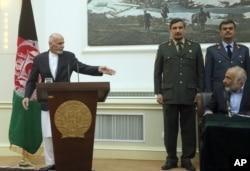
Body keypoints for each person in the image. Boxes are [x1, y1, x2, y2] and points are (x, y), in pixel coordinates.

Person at [22, 33, 116, 171]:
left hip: (66, 104)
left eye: (63, 43)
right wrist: (26, 96)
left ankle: (68, 162)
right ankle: (51, 165)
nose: (62, 46)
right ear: (51, 44)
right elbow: (32, 80)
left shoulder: (69, 57)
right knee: (48, 136)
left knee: (65, 134)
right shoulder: (39, 59)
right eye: (59, 43)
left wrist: (98, 69)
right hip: (47, 103)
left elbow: (82, 67)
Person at [154, 18, 205, 171]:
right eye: (174, 28)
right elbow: (157, 73)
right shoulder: (163, 48)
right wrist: (158, 92)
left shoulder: (195, 47)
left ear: (185, 29)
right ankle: (171, 158)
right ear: (170, 30)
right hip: (169, 94)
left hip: (189, 95)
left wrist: (199, 92)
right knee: (170, 129)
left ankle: (187, 159)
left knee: (188, 129)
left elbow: (200, 73)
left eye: (180, 28)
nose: (177, 30)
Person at [204, 19, 250, 92]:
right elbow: (208, 76)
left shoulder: (244, 50)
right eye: (224, 29)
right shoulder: (211, 51)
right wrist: (209, 93)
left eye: (230, 28)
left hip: (239, 91)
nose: (228, 30)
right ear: (220, 32)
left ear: (235, 31)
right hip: (219, 92)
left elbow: (248, 73)